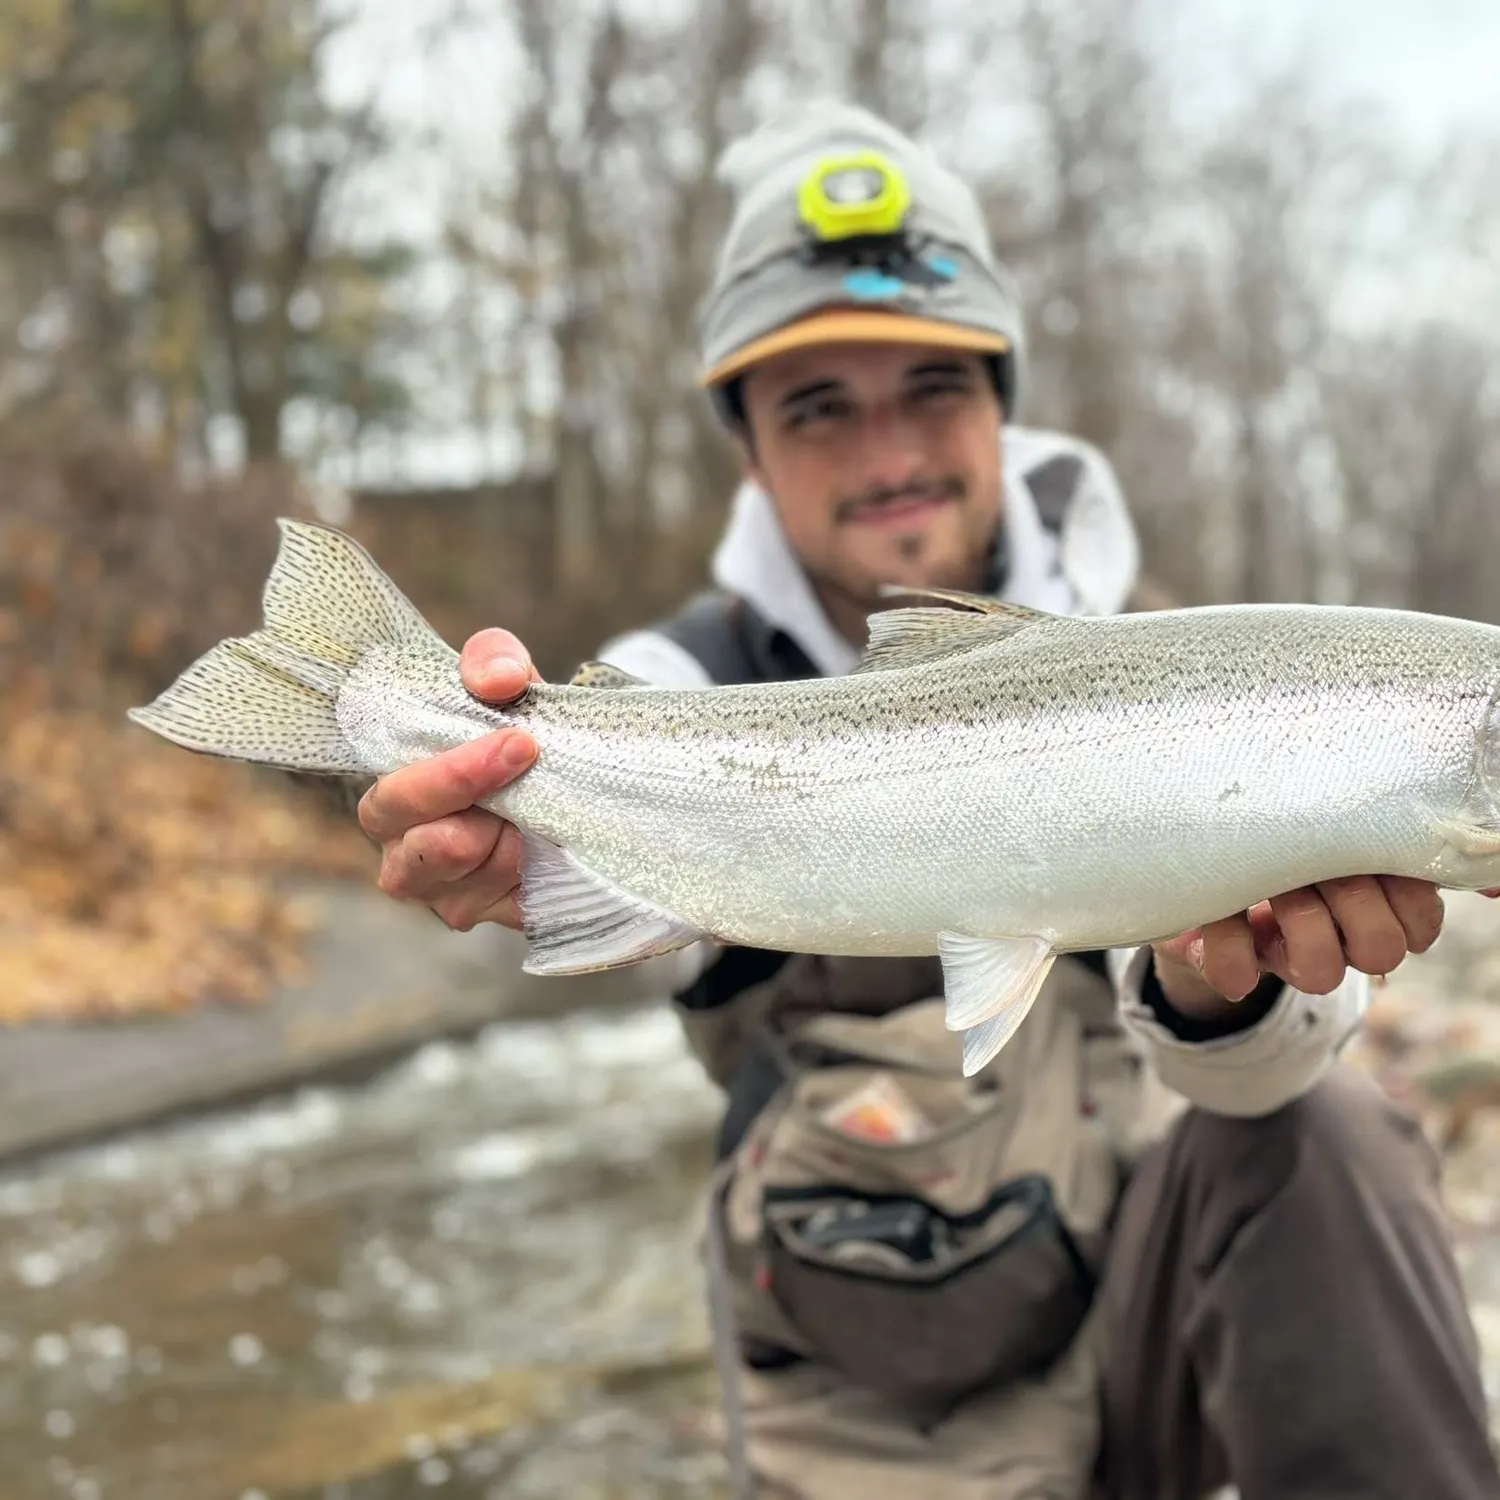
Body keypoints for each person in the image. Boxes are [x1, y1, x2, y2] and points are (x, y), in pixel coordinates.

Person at [356, 102, 1500, 1500]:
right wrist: (486, 833)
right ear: (749, 448)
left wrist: (1227, 991)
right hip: (870, 1372)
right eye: (820, 407)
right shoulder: (676, 684)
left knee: (1333, 1134)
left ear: (1001, 403)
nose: (887, 447)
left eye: (934, 388)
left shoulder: (1182, 661)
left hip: (1158, 1325)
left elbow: (1270, 1079)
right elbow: (537, 833)